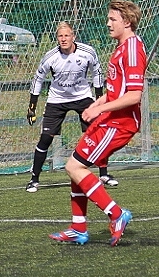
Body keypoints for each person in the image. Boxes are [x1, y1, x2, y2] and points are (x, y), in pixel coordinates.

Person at [51, 0, 147, 246]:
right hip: (110, 118)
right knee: (75, 166)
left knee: (75, 168)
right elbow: (117, 91)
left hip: (120, 123)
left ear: (127, 22)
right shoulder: (121, 47)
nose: (108, 23)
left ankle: (116, 214)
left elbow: (134, 96)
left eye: (113, 19)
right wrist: (96, 104)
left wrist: (100, 109)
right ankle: (78, 228)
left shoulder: (133, 50)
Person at [26, 22, 117, 192]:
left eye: (67, 35)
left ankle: (104, 174)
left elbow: (97, 72)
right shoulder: (51, 57)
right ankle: (34, 179)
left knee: (98, 133)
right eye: (60, 36)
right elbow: (37, 79)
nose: (63, 39)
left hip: (82, 97)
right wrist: (32, 107)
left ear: (73, 36)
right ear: (57, 38)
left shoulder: (87, 52)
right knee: (45, 138)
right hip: (57, 99)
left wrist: (99, 100)